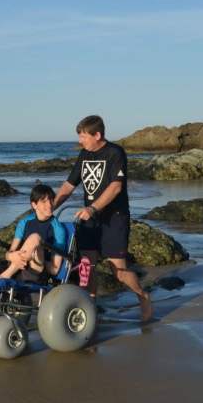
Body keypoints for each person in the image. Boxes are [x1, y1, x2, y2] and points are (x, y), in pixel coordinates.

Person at [53, 115, 153, 322]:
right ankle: (90, 310)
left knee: (119, 271)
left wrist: (93, 208)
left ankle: (142, 296)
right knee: (87, 268)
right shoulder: (84, 154)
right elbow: (69, 185)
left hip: (114, 219)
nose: (80, 141)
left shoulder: (115, 153)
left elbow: (116, 187)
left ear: (97, 135)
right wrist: (49, 208)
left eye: (83, 136)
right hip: (90, 220)